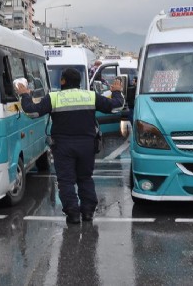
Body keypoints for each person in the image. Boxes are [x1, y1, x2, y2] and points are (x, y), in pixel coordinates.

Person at [16, 68, 124, 224]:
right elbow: (116, 106)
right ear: (79, 82)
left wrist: (25, 94)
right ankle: (88, 213)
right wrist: (116, 91)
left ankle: (73, 214)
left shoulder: (54, 97)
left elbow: (32, 112)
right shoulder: (90, 95)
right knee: (85, 178)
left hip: (62, 146)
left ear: (63, 81)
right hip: (87, 145)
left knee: (66, 181)